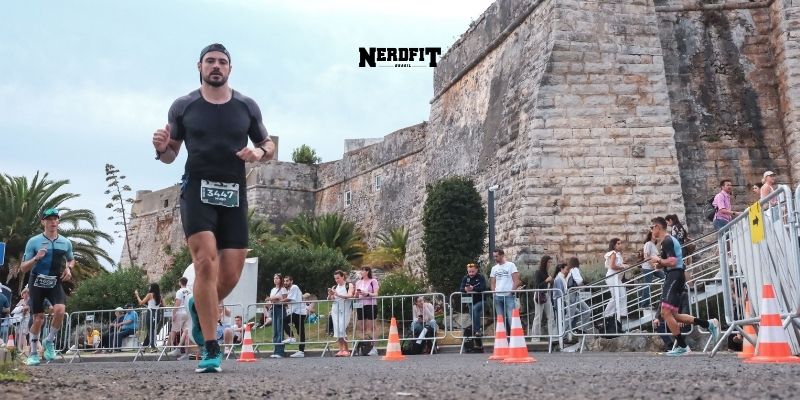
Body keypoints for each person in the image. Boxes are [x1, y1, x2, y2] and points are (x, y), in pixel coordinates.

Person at [151, 43, 275, 373]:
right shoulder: (183, 106)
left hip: (234, 193)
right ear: (199, 66)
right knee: (205, 261)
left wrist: (259, 154)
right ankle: (210, 346)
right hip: (197, 189)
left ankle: (198, 305)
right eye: (210, 62)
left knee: (231, 272)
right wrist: (163, 148)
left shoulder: (247, 106)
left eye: (222, 62)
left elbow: (268, 144)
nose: (216, 66)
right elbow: (171, 155)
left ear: (230, 69)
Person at [649, 216, 719, 356]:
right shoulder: (668, 241)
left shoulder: (667, 241)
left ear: (658, 227)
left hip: (674, 276)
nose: (651, 230)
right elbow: (672, 261)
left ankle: (682, 346)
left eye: (652, 227)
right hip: (675, 276)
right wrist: (660, 264)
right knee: (675, 315)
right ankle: (709, 324)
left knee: (665, 313)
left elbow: (673, 261)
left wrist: (659, 260)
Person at [19, 208, 74, 366]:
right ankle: (34, 353)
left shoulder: (65, 242)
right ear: (43, 222)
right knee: (38, 319)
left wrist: (69, 268)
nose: (52, 222)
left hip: (54, 281)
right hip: (36, 282)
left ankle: (49, 341)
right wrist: (36, 258)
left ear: (58, 222)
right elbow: (23, 268)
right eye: (49, 219)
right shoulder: (34, 241)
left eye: (55, 219)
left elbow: (71, 259)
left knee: (60, 311)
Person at [490, 248, 520, 336]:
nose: (495, 258)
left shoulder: (511, 265)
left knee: (511, 319)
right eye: (494, 256)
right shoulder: (494, 268)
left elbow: (516, 280)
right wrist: (494, 293)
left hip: (508, 296)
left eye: (497, 256)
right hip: (498, 296)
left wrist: (511, 291)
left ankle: (514, 340)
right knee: (500, 319)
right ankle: (503, 340)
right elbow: (492, 282)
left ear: (502, 255)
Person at [328, 270, 354, 357]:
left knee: (342, 328)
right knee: (337, 330)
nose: (336, 280)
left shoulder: (348, 285)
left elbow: (350, 295)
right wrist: (330, 295)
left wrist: (338, 295)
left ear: (343, 277)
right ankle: (341, 349)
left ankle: (346, 350)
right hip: (335, 310)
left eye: (338, 278)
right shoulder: (334, 287)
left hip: (345, 309)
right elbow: (330, 299)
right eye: (335, 278)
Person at [355, 266, 379, 356]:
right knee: (362, 327)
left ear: (368, 271)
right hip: (360, 305)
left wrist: (367, 293)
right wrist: (357, 294)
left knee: (372, 327)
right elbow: (355, 296)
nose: (361, 272)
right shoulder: (358, 282)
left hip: (371, 304)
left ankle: (374, 348)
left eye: (363, 270)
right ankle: (365, 346)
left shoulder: (373, 281)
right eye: (361, 270)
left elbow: (376, 294)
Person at [603, 238, 628, 325]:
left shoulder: (618, 254)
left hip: (616, 278)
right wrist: (623, 267)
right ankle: (607, 314)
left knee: (623, 294)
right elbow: (612, 266)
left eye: (620, 243)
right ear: (613, 245)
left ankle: (621, 314)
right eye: (618, 243)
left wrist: (623, 265)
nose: (620, 245)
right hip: (612, 277)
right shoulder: (613, 253)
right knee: (615, 296)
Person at [531, 255, 556, 341]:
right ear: (544, 263)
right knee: (538, 317)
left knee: (551, 316)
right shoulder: (538, 272)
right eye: (549, 262)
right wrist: (546, 280)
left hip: (546, 295)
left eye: (551, 262)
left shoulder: (546, 273)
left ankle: (553, 337)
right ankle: (535, 339)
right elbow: (537, 285)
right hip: (539, 295)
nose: (550, 264)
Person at [282, 275, 307, 358]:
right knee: (300, 331)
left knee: (285, 321)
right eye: (285, 281)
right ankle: (301, 351)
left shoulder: (294, 287)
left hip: (299, 312)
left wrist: (278, 301)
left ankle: (291, 337)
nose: (285, 282)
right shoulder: (290, 289)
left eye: (287, 281)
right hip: (297, 312)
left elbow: (288, 299)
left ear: (291, 281)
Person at [459, 263, 487, 336]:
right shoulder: (465, 278)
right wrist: (465, 289)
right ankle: (475, 330)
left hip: (480, 300)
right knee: (472, 314)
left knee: (475, 309)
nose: (471, 273)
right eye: (469, 272)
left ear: (476, 270)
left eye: (473, 271)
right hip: (470, 300)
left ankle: (477, 330)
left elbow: (483, 288)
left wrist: (473, 288)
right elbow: (461, 289)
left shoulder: (480, 277)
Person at [135, 283, 164, 351]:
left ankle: (153, 346)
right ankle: (144, 346)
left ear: (152, 288)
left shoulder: (150, 294)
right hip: (157, 313)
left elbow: (141, 303)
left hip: (151, 313)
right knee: (151, 330)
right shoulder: (160, 296)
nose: (149, 288)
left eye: (150, 286)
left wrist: (137, 295)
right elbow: (164, 305)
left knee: (150, 330)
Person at [168, 277, 192, 358]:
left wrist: (173, 314)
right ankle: (186, 352)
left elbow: (177, 303)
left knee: (173, 331)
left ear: (180, 283)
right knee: (186, 333)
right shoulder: (189, 291)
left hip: (180, 312)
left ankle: (172, 349)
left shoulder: (179, 291)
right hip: (187, 312)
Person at [567, 257, 591, 333]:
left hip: (573, 294)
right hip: (573, 294)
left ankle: (582, 330)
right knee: (570, 316)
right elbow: (579, 281)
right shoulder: (575, 269)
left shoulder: (569, 270)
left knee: (586, 310)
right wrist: (584, 286)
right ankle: (565, 335)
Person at [640, 232, 663, 309]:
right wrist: (653, 265)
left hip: (653, 268)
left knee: (665, 277)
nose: (656, 235)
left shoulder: (653, 245)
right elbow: (646, 257)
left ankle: (665, 297)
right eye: (654, 234)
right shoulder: (648, 244)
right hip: (648, 268)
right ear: (650, 235)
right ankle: (644, 304)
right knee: (647, 285)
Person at [268, 274, 288, 359]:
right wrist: (273, 299)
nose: (275, 280)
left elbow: (284, 300)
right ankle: (275, 350)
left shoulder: (283, 289)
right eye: (274, 278)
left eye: (277, 278)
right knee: (275, 331)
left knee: (280, 330)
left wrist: (275, 298)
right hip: (274, 309)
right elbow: (270, 299)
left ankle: (280, 351)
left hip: (280, 309)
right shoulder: (273, 289)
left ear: (280, 279)